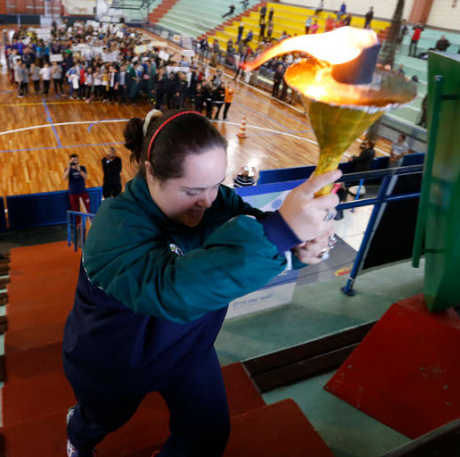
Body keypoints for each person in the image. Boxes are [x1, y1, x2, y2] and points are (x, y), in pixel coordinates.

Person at [62, 110, 340, 456]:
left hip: (188, 348)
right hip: (116, 361)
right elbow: (172, 290)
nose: (207, 200)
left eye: (215, 184)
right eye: (192, 190)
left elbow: (255, 243)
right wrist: (281, 232)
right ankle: (79, 435)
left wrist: (301, 246)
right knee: (103, 419)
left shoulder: (217, 202)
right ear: (151, 173)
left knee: (207, 434)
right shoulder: (113, 227)